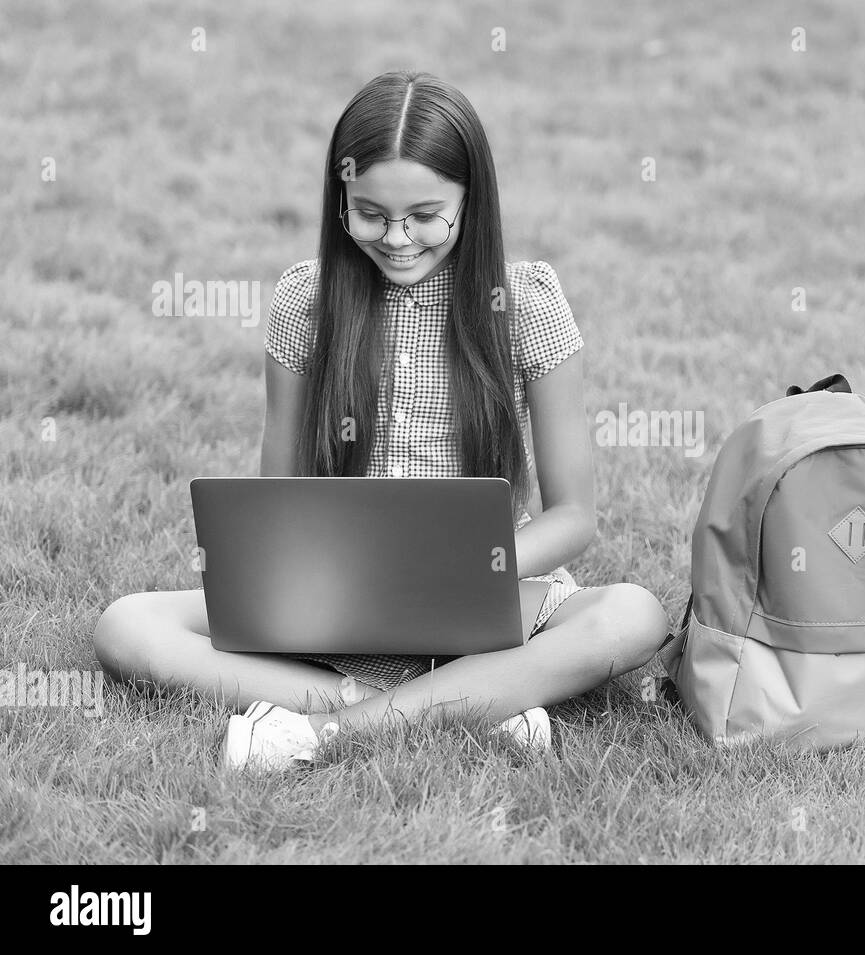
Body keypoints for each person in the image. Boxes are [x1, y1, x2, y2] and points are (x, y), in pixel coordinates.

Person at [92, 71, 669, 769]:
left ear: (471, 201)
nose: (397, 238)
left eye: (425, 214)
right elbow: (281, 493)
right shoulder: (305, 302)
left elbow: (575, 514)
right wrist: (314, 578)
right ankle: (464, 703)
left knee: (634, 615)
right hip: (339, 596)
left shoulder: (530, 306)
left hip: (484, 592)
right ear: (341, 201)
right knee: (127, 626)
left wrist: (463, 572)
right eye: (370, 213)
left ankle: (329, 725)